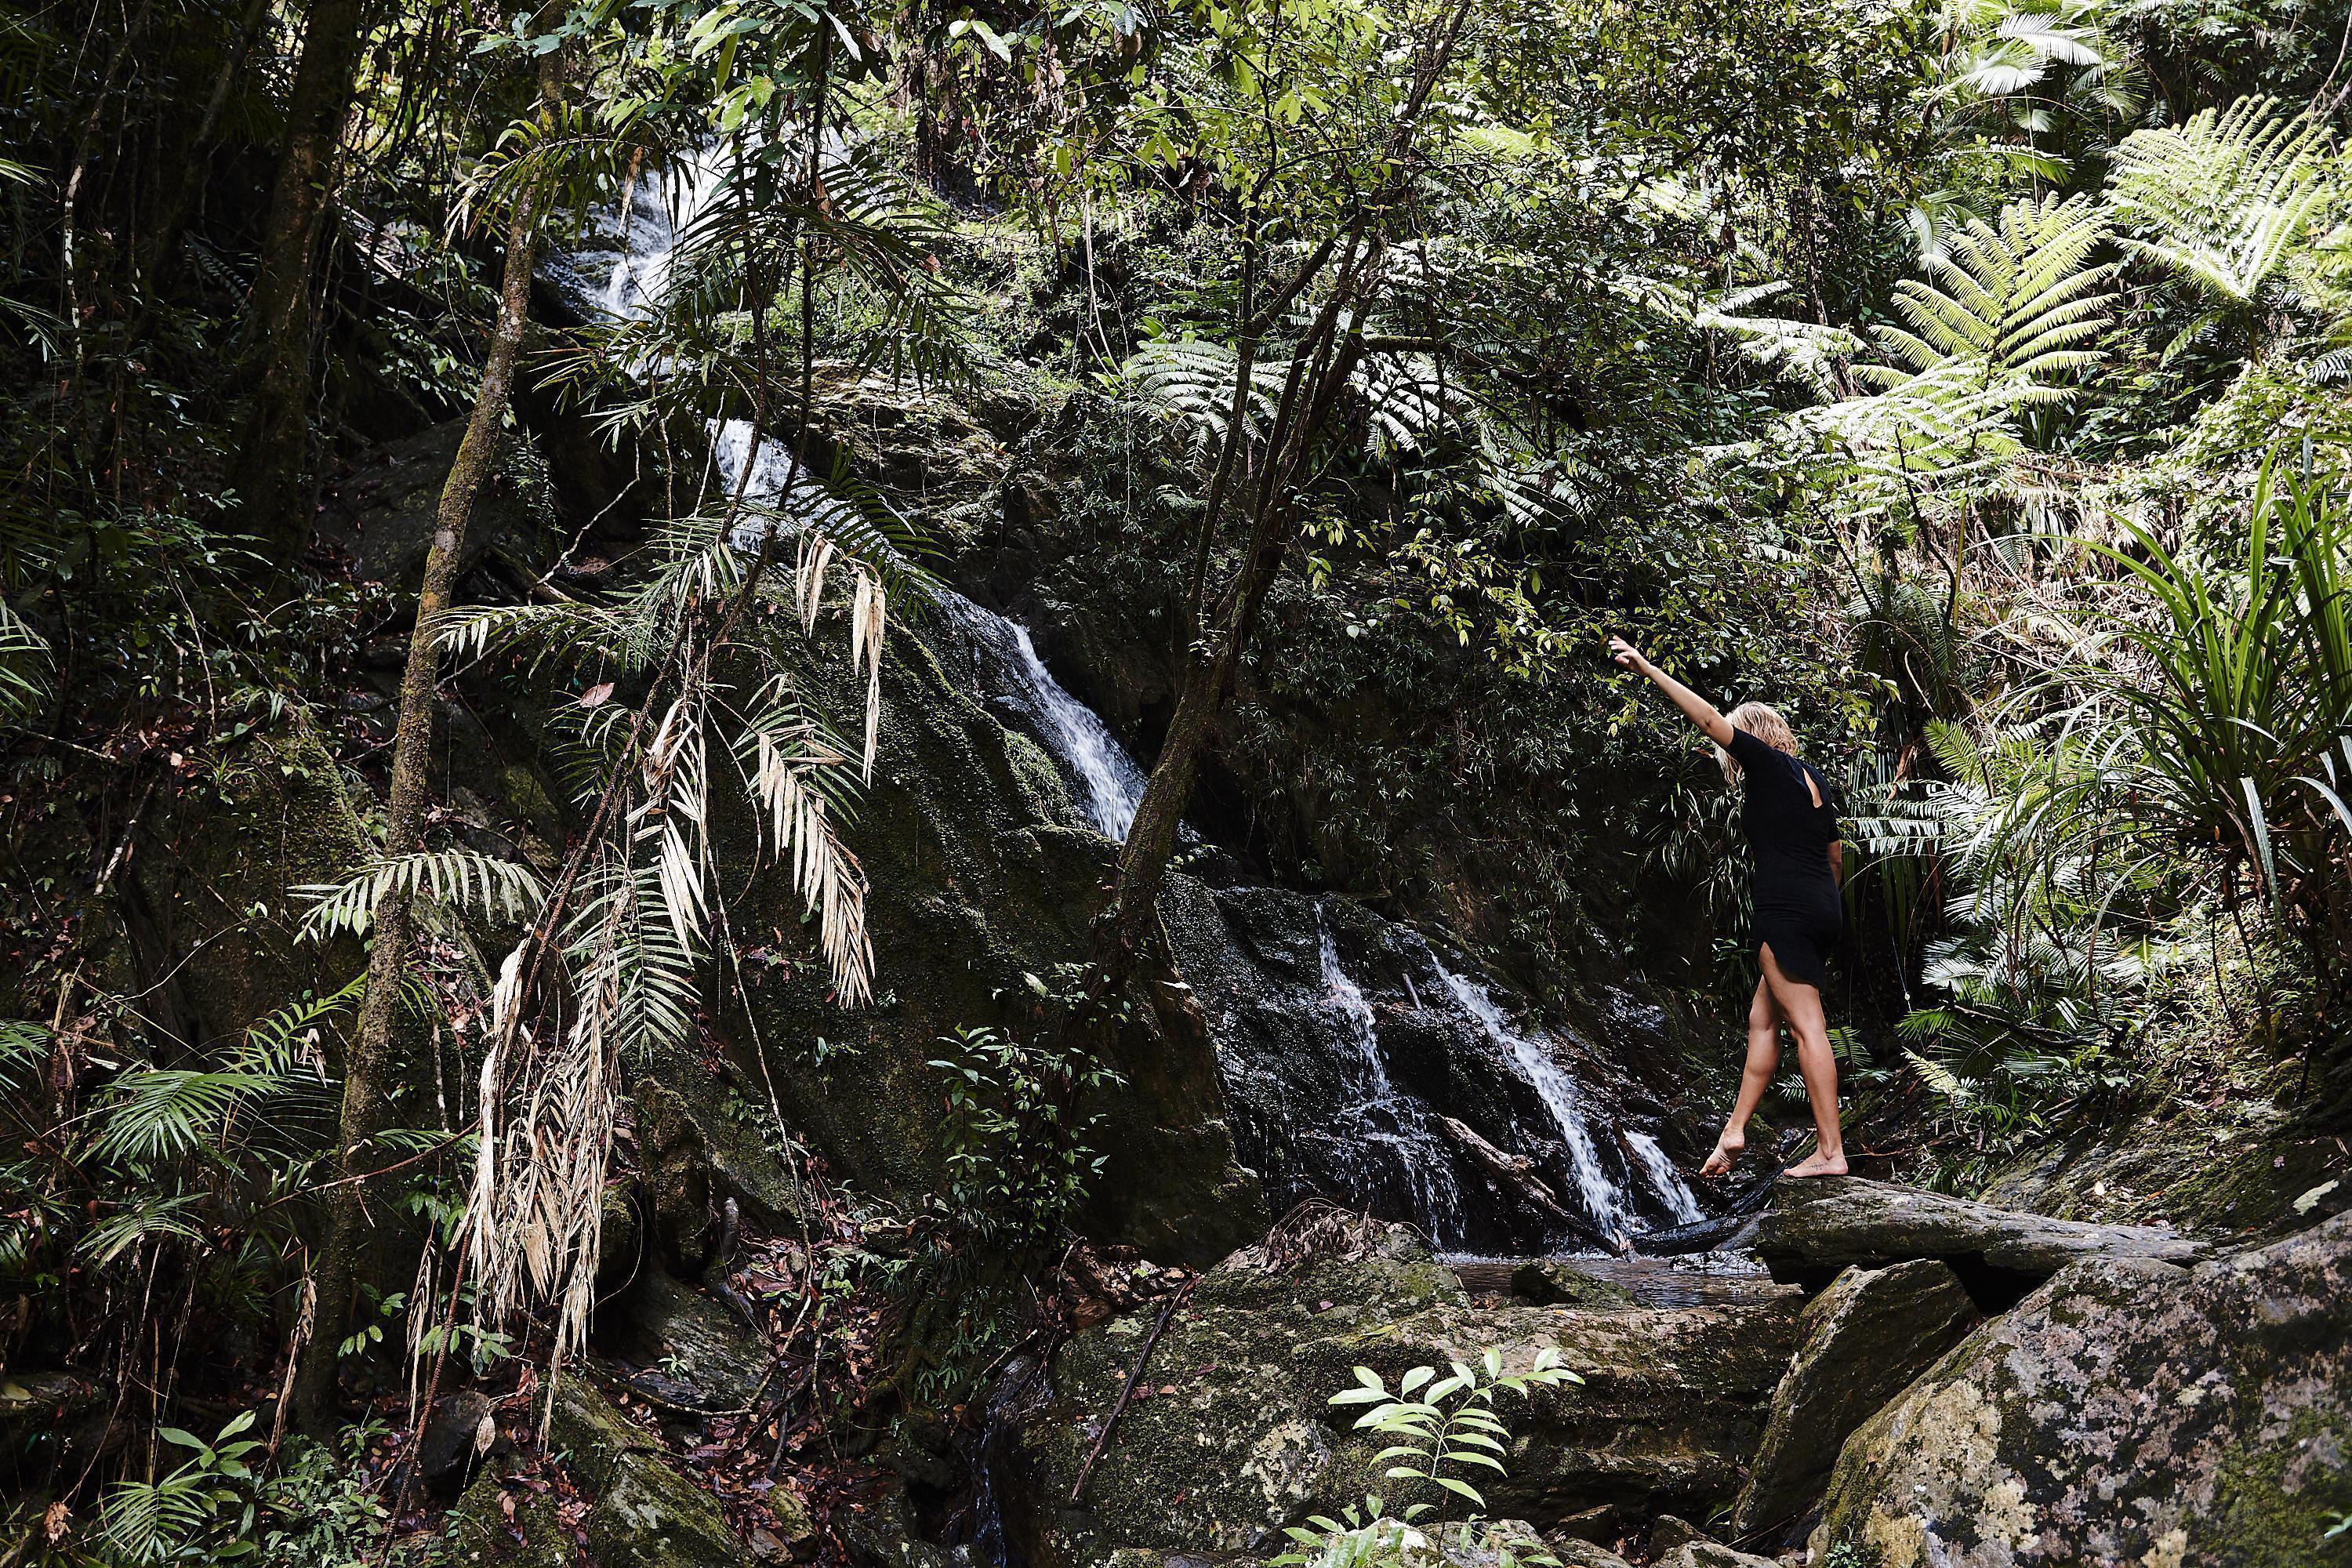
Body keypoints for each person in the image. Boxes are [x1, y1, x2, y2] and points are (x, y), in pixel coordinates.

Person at [1607, 635, 1848, 1178]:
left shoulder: (1764, 764)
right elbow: (1834, 858)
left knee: (1807, 1026)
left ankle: (1831, 1152)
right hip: (1821, 907)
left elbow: (1708, 718)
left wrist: (1647, 667)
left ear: (1754, 737)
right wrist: (1820, 909)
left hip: (1784, 907)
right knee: (1763, 1021)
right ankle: (1733, 1133)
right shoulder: (1815, 780)